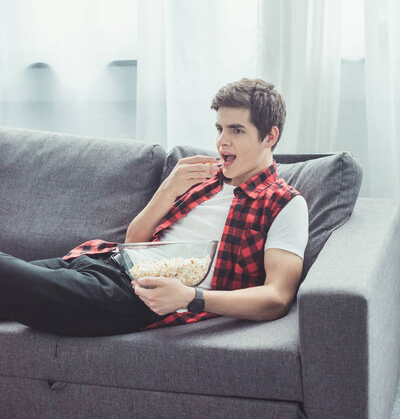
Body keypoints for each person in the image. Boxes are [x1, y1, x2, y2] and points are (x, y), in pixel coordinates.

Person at [0, 78, 308, 336]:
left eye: (236, 130)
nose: (222, 142)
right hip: (102, 261)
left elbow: (277, 297)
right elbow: (134, 240)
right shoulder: (202, 177)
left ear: (270, 136)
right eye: (219, 129)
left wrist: (193, 297)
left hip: (135, 296)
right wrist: (169, 188)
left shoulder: (284, 203)